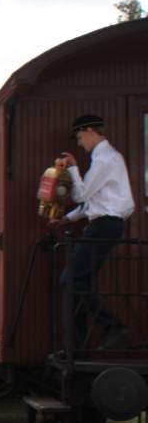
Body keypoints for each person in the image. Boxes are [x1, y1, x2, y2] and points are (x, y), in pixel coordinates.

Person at [53, 114, 136, 348]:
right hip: (105, 225)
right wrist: (66, 219)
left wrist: (73, 169)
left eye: (80, 137)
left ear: (90, 131)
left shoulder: (104, 160)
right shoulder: (107, 159)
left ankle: (113, 327)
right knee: (77, 282)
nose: (80, 143)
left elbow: (81, 196)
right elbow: (94, 202)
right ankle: (76, 346)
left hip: (104, 226)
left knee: (70, 280)